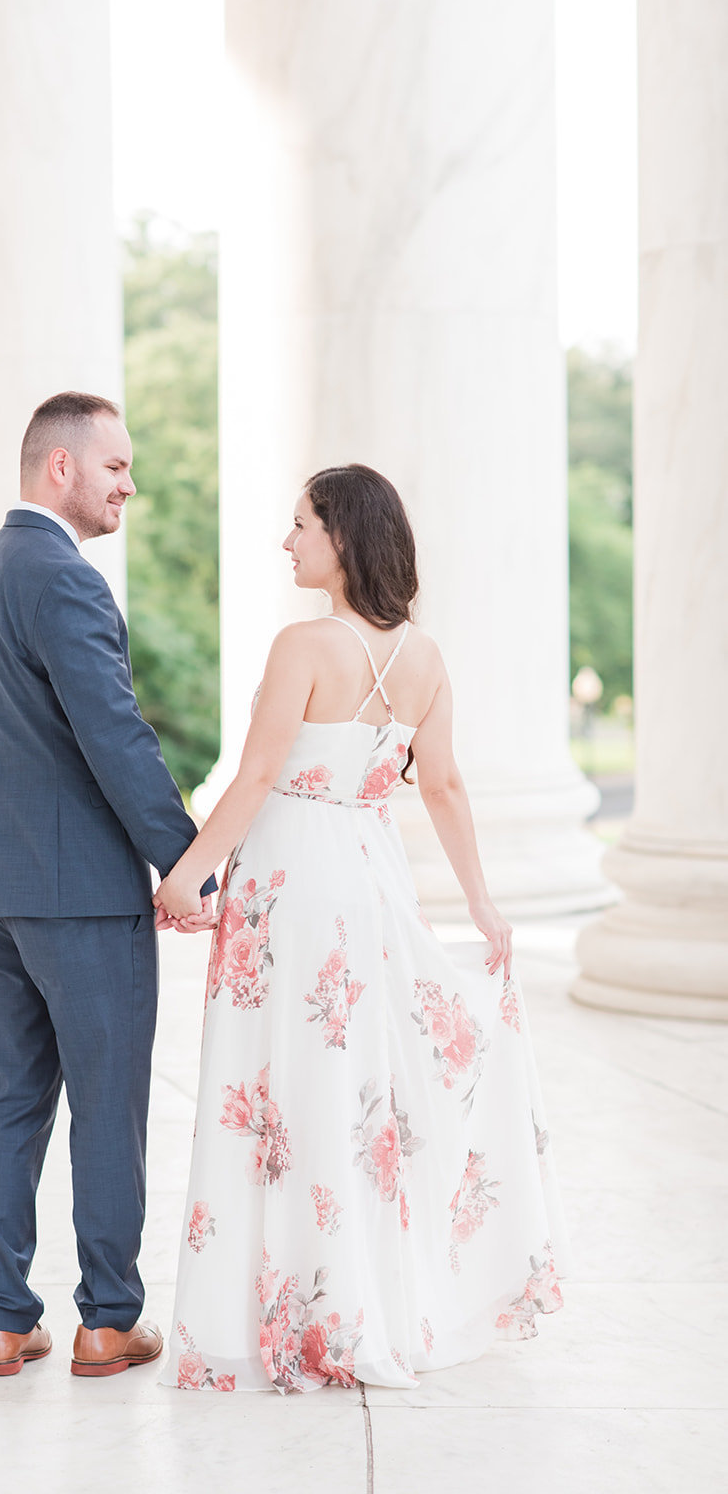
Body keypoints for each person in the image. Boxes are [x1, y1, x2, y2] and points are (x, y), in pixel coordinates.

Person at [155, 463, 566, 1393]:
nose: (286, 540)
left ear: (341, 536)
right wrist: (481, 904)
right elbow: (446, 787)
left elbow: (256, 778)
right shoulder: (423, 658)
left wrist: (187, 876)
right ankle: (359, 1310)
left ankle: (295, 1321)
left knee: (286, 1094)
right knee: (356, 1096)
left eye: (299, 523)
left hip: (294, 881)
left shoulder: (303, 644)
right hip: (373, 880)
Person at [0, 391, 215, 1381]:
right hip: (81, 892)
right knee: (109, 1103)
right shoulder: (63, 578)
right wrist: (185, 859)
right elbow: (115, 736)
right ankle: (109, 1319)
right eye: (116, 466)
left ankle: (1, 1320)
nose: (129, 486)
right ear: (59, 467)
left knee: (11, 1097)